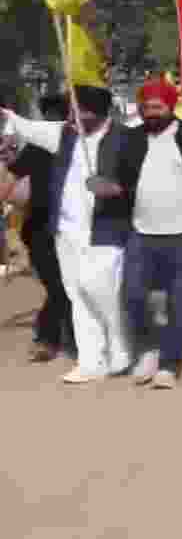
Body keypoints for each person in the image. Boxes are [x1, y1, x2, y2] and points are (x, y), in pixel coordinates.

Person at [98, 77, 182, 389]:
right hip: (141, 233)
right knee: (132, 295)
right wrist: (109, 188)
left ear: (171, 106)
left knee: (181, 302)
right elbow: (122, 182)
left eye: (157, 107)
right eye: (145, 107)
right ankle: (149, 351)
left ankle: (170, 362)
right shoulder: (131, 139)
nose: (150, 112)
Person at [2, 86, 133, 383]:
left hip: (106, 232)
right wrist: (7, 115)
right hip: (65, 233)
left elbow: (142, 182)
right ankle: (90, 361)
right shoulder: (63, 135)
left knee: (103, 293)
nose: (73, 116)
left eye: (80, 110)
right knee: (77, 295)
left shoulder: (126, 139)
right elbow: (29, 128)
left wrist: (117, 190)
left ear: (98, 112)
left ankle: (120, 349)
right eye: (73, 109)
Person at [4, 94, 72, 362]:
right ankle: (48, 338)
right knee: (59, 286)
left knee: (69, 285)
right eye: (51, 114)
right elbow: (11, 176)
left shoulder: (81, 145)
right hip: (41, 229)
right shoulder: (36, 147)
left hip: (72, 228)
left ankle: (67, 337)